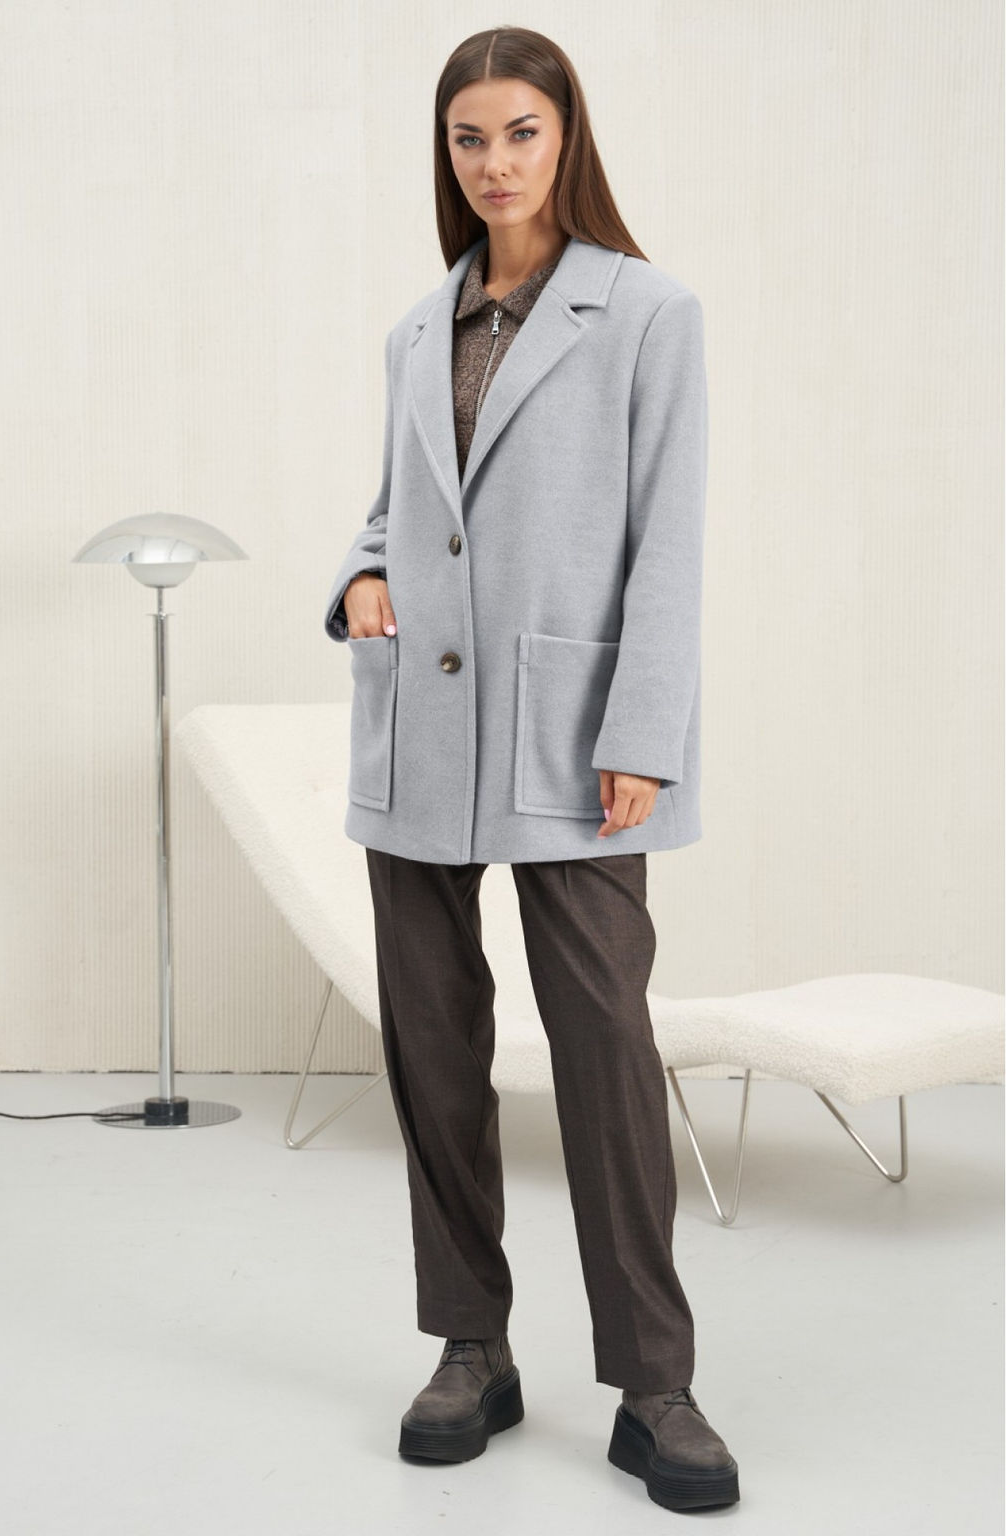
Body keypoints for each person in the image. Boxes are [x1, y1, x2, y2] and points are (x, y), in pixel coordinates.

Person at [323, 25, 739, 1515]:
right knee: (434, 1051)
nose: (494, 164)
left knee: (604, 1049)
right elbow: (394, 509)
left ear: (567, 138)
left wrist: (642, 732)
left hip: (574, 731)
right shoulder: (414, 330)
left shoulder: (649, 313)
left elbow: (668, 541)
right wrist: (359, 579)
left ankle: (654, 1382)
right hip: (417, 732)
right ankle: (471, 1348)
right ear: (445, 154)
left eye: (520, 133)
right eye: (468, 138)